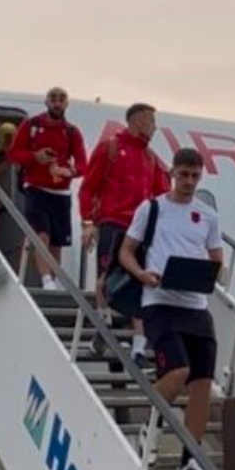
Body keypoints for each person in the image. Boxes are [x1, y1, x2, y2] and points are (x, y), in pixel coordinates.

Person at [117, 147, 223, 470]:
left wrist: (210, 275)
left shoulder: (208, 216)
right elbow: (125, 252)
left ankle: (190, 461)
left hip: (196, 306)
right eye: (183, 175)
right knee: (178, 371)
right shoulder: (152, 208)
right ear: (172, 173)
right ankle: (150, 425)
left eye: (194, 176)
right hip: (159, 301)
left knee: (202, 386)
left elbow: (217, 258)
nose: (189, 181)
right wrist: (142, 274)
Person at [79, 102, 170, 364]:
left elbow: (161, 197)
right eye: (151, 121)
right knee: (105, 279)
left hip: (139, 229)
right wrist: (88, 222)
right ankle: (103, 324)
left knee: (140, 282)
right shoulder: (110, 148)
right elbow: (88, 187)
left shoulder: (151, 158)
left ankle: (138, 347)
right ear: (137, 121)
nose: (154, 127)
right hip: (112, 222)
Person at [7, 87, 87, 290]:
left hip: (61, 192)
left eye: (61, 99)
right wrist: (35, 156)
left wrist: (69, 171)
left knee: (57, 242)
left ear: (67, 104)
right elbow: (13, 154)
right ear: (46, 102)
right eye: (53, 99)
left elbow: (83, 164)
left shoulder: (72, 132)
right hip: (36, 188)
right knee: (41, 234)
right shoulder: (31, 125)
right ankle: (46, 279)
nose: (57, 103)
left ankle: (53, 277)